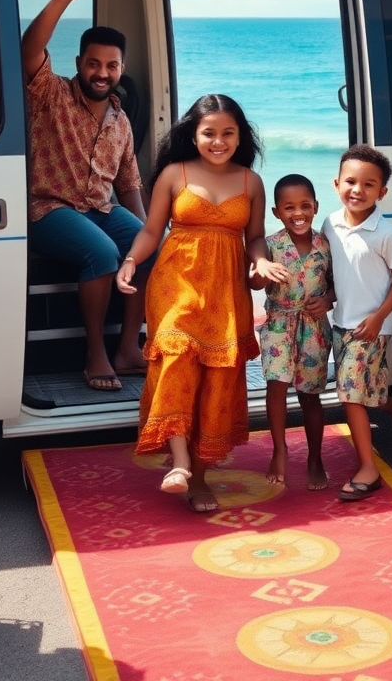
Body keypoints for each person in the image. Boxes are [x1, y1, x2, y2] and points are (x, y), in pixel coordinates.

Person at [116, 94, 284, 512]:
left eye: (228, 133)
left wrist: (261, 261)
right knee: (175, 356)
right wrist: (132, 259)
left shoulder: (251, 181)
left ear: (239, 136)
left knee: (216, 381)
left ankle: (201, 478)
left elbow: (256, 237)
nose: (218, 141)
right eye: (209, 132)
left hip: (226, 290)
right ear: (193, 134)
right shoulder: (175, 173)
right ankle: (180, 461)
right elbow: (152, 230)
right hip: (176, 281)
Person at [22, 0, 152, 392]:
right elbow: (28, 51)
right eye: (93, 63)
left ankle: (129, 349)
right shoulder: (52, 94)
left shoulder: (119, 118)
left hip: (98, 208)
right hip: (48, 209)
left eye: (111, 65)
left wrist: (148, 233)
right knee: (101, 253)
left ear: (122, 68)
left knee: (149, 244)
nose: (102, 72)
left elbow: (129, 183)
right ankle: (96, 353)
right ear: (78, 63)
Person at [322, 143, 392, 502]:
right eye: (350, 182)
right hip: (341, 323)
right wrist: (327, 298)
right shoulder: (329, 224)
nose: (357, 190)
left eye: (368, 185)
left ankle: (368, 469)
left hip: (372, 329)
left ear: (383, 192)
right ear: (336, 184)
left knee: (350, 394)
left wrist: (378, 318)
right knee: (368, 396)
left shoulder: (386, 233)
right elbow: (339, 274)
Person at [250, 174, 334, 490]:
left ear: (315, 207)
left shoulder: (325, 246)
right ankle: (280, 449)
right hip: (277, 327)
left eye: (304, 206)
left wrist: (327, 300)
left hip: (313, 330)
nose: (297, 213)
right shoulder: (269, 246)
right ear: (276, 212)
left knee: (310, 396)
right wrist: (261, 274)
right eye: (289, 208)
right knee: (276, 387)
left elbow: (336, 285)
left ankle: (315, 457)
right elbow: (254, 282)